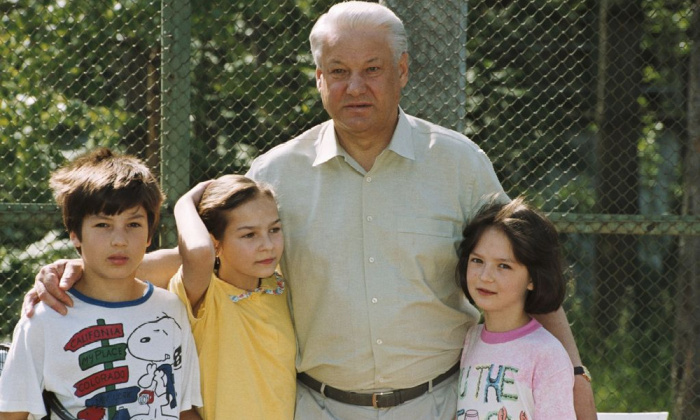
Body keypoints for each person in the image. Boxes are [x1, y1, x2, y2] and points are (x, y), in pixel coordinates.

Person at [25, 2, 596, 419]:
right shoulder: (275, 174)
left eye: (373, 69)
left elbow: (524, 273)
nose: (356, 87)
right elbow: (210, 261)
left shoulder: (460, 163)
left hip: (443, 402)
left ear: (402, 72)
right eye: (339, 71)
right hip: (315, 405)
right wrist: (79, 274)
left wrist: (574, 372)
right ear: (318, 78)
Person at [0, 148, 202, 419]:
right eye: (103, 225)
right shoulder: (43, 318)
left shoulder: (171, 308)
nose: (119, 240)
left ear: (150, 235)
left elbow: (183, 408)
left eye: (133, 224)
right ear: (75, 235)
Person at [168, 175, 296, 419]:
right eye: (249, 235)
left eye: (274, 229)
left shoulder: (279, 284)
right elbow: (197, 253)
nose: (267, 245)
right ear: (215, 242)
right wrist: (184, 203)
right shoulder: (206, 294)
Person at [455, 197, 575, 419]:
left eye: (504, 266)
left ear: (533, 278)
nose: (485, 276)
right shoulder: (471, 338)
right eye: (477, 261)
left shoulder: (546, 354)